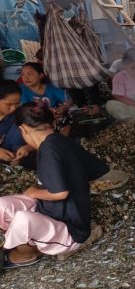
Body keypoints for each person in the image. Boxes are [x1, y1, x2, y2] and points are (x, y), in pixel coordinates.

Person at [0, 101, 108, 268]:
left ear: (23, 130)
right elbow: (98, 169)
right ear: (52, 123)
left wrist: (33, 193)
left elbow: (60, 193)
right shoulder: (58, 141)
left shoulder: (50, 151)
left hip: (70, 231)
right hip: (49, 210)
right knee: (2, 204)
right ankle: (28, 240)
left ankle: (26, 253)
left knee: (22, 219)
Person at [19, 62, 73, 133]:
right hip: (32, 124)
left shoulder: (51, 88)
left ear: (41, 75)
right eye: (22, 74)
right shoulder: (20, 90)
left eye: (29, 74)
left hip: (52, 121)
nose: (25, 78)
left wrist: (64, 106)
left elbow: (68, 100)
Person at [0, 81, 33, 168]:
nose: (13, 108)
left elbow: (43, 136)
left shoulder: (22, 114)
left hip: (16, 163)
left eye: (17, 103)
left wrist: (28, 147)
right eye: (9, 104)